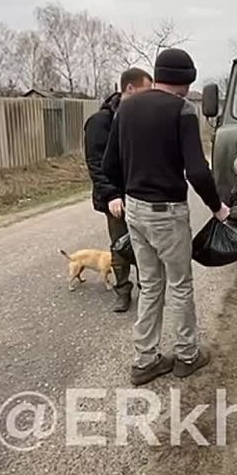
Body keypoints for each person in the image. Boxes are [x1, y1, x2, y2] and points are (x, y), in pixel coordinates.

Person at [102, 48, 230, 386]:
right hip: (167, 213)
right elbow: (198, 172)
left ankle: (145, 361)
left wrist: (117, 194)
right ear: (187, 81)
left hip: (135, 211)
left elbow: (108, 166)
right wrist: (218, 208)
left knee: (150, 284)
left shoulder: (126, 108)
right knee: (180, 284)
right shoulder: (182, 110)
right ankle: (187, 355)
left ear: (158, 75)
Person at [83, 67, 153, 313]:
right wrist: (111, 194)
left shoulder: (141, 118)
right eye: (146, 91)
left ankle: (148, 290)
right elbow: (96, 163)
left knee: (146, 244)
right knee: (120, 246)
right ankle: (123, 290)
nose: (149, 97)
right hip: (116, 199)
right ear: (130, 89)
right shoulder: (100, 122)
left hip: (141, 194)